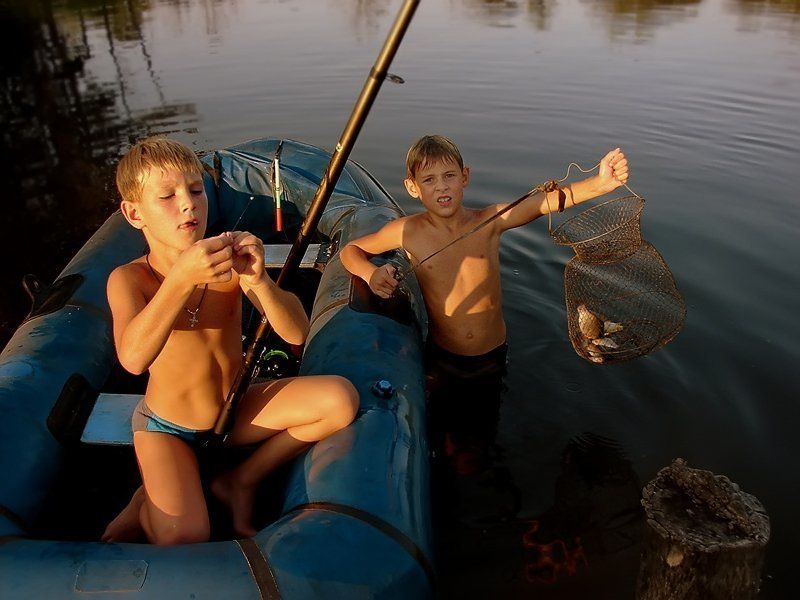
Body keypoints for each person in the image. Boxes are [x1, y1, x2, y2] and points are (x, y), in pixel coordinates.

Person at [101, 137, 359, 545]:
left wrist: (258, 280)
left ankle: (241, 480)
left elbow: (297, 333)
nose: (188, 204)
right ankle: (143, 501)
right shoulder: (130, 279)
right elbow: (133, 359)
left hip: (235, 410)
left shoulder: (229, 261)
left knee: (339, 401)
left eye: (197, 190)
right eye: (167, 196)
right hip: (168, 428)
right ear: (134, 214)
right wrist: (182, 279)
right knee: (187, 535)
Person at [340, 134, 629, 379]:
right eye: (429, 179)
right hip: (443, 357)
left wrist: (599, 184)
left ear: (465, 177)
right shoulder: (407, 231)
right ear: (412, 187)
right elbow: (350, 251)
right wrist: (370, 273)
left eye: (449, 176)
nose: (441, 186)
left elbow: (543, 203)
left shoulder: (490, 221)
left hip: (494, 355)